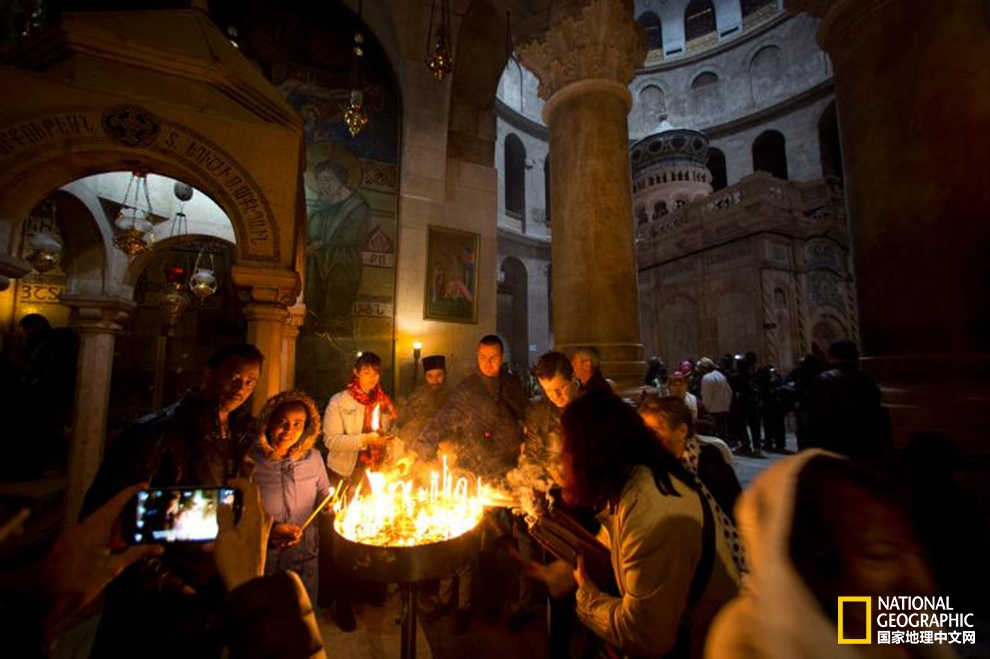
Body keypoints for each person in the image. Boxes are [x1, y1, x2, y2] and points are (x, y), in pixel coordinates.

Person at [81, 344, 263, 659]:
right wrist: (177, 589)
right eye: (234, 377)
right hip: (153, 605)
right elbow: (110, 522)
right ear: (209, 372)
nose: (241, 388)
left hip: (211, 595)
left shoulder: (241, 435)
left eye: (250, 382)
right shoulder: (153, 435)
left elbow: (224, 511)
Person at [705, 451, 954, 659]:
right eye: (880, 555)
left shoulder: (904, 630)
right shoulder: (746, 642)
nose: (921, 583)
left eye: (918, 553)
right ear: (804, 567)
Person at [561, 391, 741, 659]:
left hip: (707, 644)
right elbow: (611, 541)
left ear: (592, 452)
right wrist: (562, 572)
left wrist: (586, 598)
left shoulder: (653, 508)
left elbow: (645, 634)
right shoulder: (633, 484)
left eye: (567, 448)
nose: (563, 460)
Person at [415, 335, 527, 633]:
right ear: (477, 357)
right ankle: (470, 603)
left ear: (502, 357)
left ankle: (504, 599)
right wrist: (418, 452)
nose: (488, 363)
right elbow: (440, 420)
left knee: (510, 540)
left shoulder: (513, 384)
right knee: (479, 542)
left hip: (512, 472)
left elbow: (524, 419)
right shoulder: (467, 390)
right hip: (477, 472)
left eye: (494, 357)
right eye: (483, 357)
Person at [321, 351, 395, 631]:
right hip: (344, 475)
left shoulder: (383, 402)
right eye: (366, 372)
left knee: (371, 535)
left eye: (376, 373)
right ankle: (342, 601)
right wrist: (366, 439)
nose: (371, 378)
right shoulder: (339, 401)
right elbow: (331, 441)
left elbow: (391, 431)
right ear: (355, 372)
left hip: (372, 477)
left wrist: (389, 444)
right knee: (342, 539)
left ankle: (369, 591)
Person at [252, 391, 331, 603]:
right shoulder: (251, 460)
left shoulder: (312, 457)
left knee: (303, 611)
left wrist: (329, 503)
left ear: (307, 427)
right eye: (282, 422)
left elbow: (324, 491)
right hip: (266, 553)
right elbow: (242, 508)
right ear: (268, 423)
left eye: (298, 424)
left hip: (304, 554)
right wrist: (271, 529)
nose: (289, 430)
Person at [304, 158, 371, 335]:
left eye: (329, 180)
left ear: (340, 180)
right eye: (320, 180)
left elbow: (354, 234)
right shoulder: (322, 203)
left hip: (343, 262)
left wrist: (323, 243)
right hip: (318, 262)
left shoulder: (357, 206)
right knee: (315, 301)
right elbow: (310, 226)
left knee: (337, 303)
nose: (324, 185)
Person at [807, 338, 890, 462]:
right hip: (865, 446)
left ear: (830, 355)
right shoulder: (866, 380)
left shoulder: (825, 380)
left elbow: (818, 418)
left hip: (836, 448)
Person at [398, 355, 449, 449]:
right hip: (418, 450)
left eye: (439, 375)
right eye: (430, 376)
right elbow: (405, 425)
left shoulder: (453, 398)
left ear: (445, 375)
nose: (435, 380)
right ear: (425, 377)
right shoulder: (416, 399)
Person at [698, 357, 732, 441]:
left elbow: (707, 397)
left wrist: (704, 410)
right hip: (724, 409)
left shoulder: (707, 378)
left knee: (713, 435)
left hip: (713, 411)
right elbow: (729, 392)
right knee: (723, 432)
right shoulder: (721, 375)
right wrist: (727, 405)